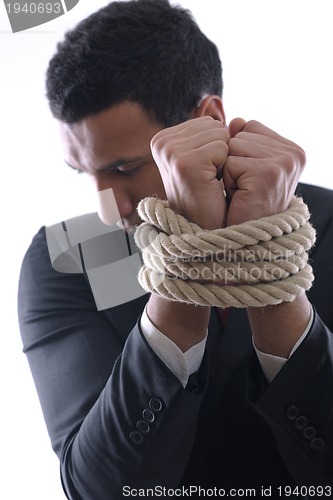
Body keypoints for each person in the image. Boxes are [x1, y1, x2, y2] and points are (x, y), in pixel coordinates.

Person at [18, 0, 333, 498]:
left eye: (125, 169)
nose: (108, 210)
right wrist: (185, 268)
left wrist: (270, 262)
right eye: (86, 174)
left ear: (207, 120)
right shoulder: (65, 258)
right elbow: (98, 490)